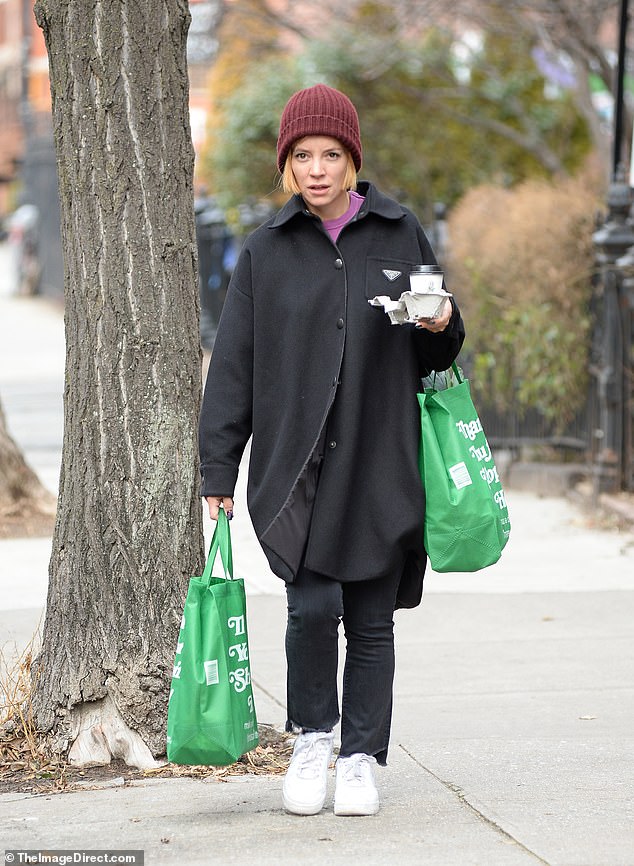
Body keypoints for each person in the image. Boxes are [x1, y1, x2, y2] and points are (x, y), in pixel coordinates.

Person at [199, 84, 465, 817]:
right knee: (311, 611)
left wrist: (441, 318)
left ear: (352, 159)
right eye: (303, 156)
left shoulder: (399, 231)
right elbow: (234, 365)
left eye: (331, 154)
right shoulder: (266, 250)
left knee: (372, 621)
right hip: (298, 469)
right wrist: (218, 467)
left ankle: (359, 757)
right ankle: (313, 738)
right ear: (287, 165)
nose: (317, 168)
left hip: (380, 462)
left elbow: (440, 340)